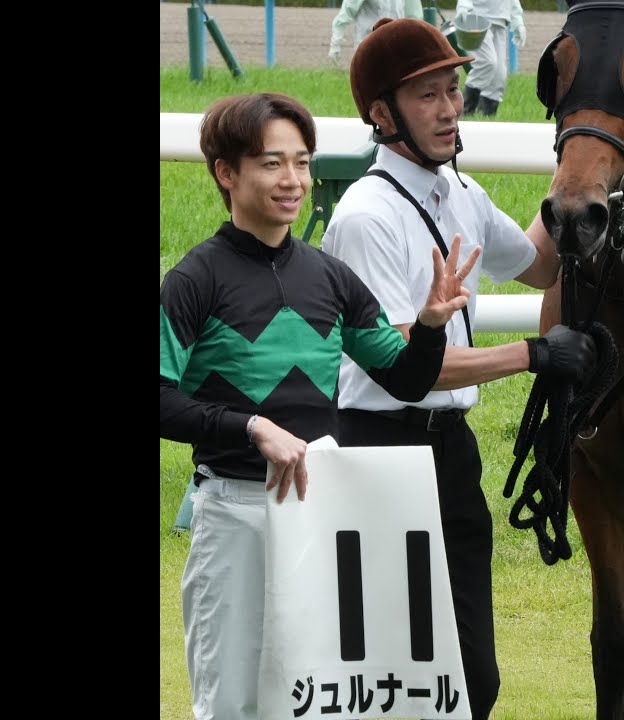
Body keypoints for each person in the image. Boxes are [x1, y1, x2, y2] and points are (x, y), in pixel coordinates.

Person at [160, 91, 477, 720]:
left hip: (320, 512)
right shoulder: (195, 281)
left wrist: (430, 326)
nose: (294, 180)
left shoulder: (329, 277)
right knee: (233, 704)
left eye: (302, 163)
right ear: (226, 173)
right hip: (234, 514)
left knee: (320, 699)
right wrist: (251, 426)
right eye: (272, 163)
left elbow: (404, 378)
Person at [320, 17, 594, 720]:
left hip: (450, 451)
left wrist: (578, 166)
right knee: (397, 674)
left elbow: (538, 264)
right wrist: (532, 354)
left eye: (452, 89)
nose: (449, 109)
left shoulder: (458, 192)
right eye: (428, 95)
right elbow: (404, 366)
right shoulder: (366, 217)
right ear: (382, 116)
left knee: (473, 677)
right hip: (379, 453)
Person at [455, 0, 526, 116]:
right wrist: (463, 5)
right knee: (487, 62)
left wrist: (517, 20)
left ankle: (487, 115)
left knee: (499, 74)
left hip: (501, 21)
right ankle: (466, 111)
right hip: (477, 19)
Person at [328, 0, 424, 66]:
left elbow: (415, 17)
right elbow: (346, 12)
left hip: (397, 46)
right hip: (368, 46)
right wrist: (335, 44)